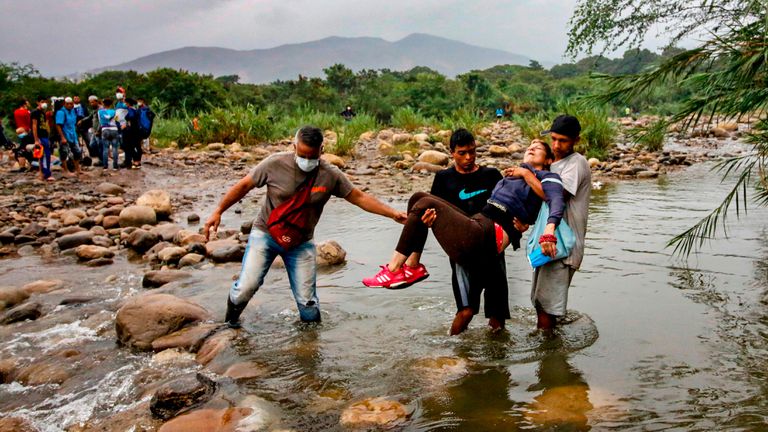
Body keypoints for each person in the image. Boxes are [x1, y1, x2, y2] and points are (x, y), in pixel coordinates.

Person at [204, 126, 407, 328]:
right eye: (302, 155)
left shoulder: (330, 175)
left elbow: (359, 197)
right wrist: (218, 211)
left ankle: (309, 342)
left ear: (321, 150)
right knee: (246, 287)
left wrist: (392, 214)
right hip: (266, 234)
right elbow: (243, 186)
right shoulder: (274, 164)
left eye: (312, 156)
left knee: (308, 303)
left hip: (301, 243)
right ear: (294, 147)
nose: (307, 161)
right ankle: (229, 326)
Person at [362, 141, 566, 332]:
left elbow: (556, 200)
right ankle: (412, 266)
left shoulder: (547, 177)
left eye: (538, 147)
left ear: (549, 159)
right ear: (452, 153)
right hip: (476, 226)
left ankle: (394, 269)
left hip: (487, 235)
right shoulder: (512, 176)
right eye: (530, 145)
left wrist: (548, 229)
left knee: (495, 313)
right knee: (419, 198)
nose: (531, 148)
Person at [429, 128, 509, 334]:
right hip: (462, 253)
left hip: (492, 250)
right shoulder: (443, 178)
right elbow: (435, 212)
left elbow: (506, 207)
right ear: (452, 153)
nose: (468, 157)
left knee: (497, 315)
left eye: (472, 151)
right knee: (466, 311)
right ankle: (450, 347)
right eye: (462, 153)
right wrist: (429, 222)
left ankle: (497, 353)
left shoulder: (491, 175)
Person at [525, 115, 591, 330]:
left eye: (563, 141)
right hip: (549, 242)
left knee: (547, 306)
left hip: (564, 246)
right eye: (553, 139)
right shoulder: (552, 164)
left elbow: (555, 196)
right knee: (541, 301)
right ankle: (550, 341)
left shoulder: (576, 163)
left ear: (576, 140)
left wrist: (526, 175)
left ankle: (548, 347)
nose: (556, 145)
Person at [55, 97, 84, 177]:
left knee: (77, 152)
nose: (70, 105)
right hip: (65, 134)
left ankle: (78, 169)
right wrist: (62, 137)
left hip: (73, 134)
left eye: (71, 104)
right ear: (64, 104)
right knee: (64, 152)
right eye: (67, 104)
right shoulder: (61, 112)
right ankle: (66, 170)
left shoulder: (72, 111)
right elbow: (58, 125)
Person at [30, 97, 53, 181]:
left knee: (44, 154)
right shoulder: (35, 112)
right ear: (37, 102)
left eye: (45, 102)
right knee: (43, 154)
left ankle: (43, 173)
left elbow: (45, 125)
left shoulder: (43, 113)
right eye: (42, 102)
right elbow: (34, 126)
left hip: (45, 135)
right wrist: (36, 139)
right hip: (39, 136)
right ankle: (46, 173)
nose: (44, 103)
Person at [98, 98, 120, 170]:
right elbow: (117, 121)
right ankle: (115, 166)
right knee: (115, 148)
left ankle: (105, 166)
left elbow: (100, 122)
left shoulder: (100, 112)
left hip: (105, 130)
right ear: (111, 104)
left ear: (103, 104)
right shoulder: (115, 112)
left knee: (105, 148)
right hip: (114, 129)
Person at [122, 98, 141, 169]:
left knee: (128, 146)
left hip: (130, 131)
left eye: (125, 103)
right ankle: (131, 162)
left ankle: (134, 161)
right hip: (135, 130)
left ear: (128, 103)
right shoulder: (135, 109)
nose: (125, 104)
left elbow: (131, 118)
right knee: (132, 146)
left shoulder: (130, 110)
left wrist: (126, 125)